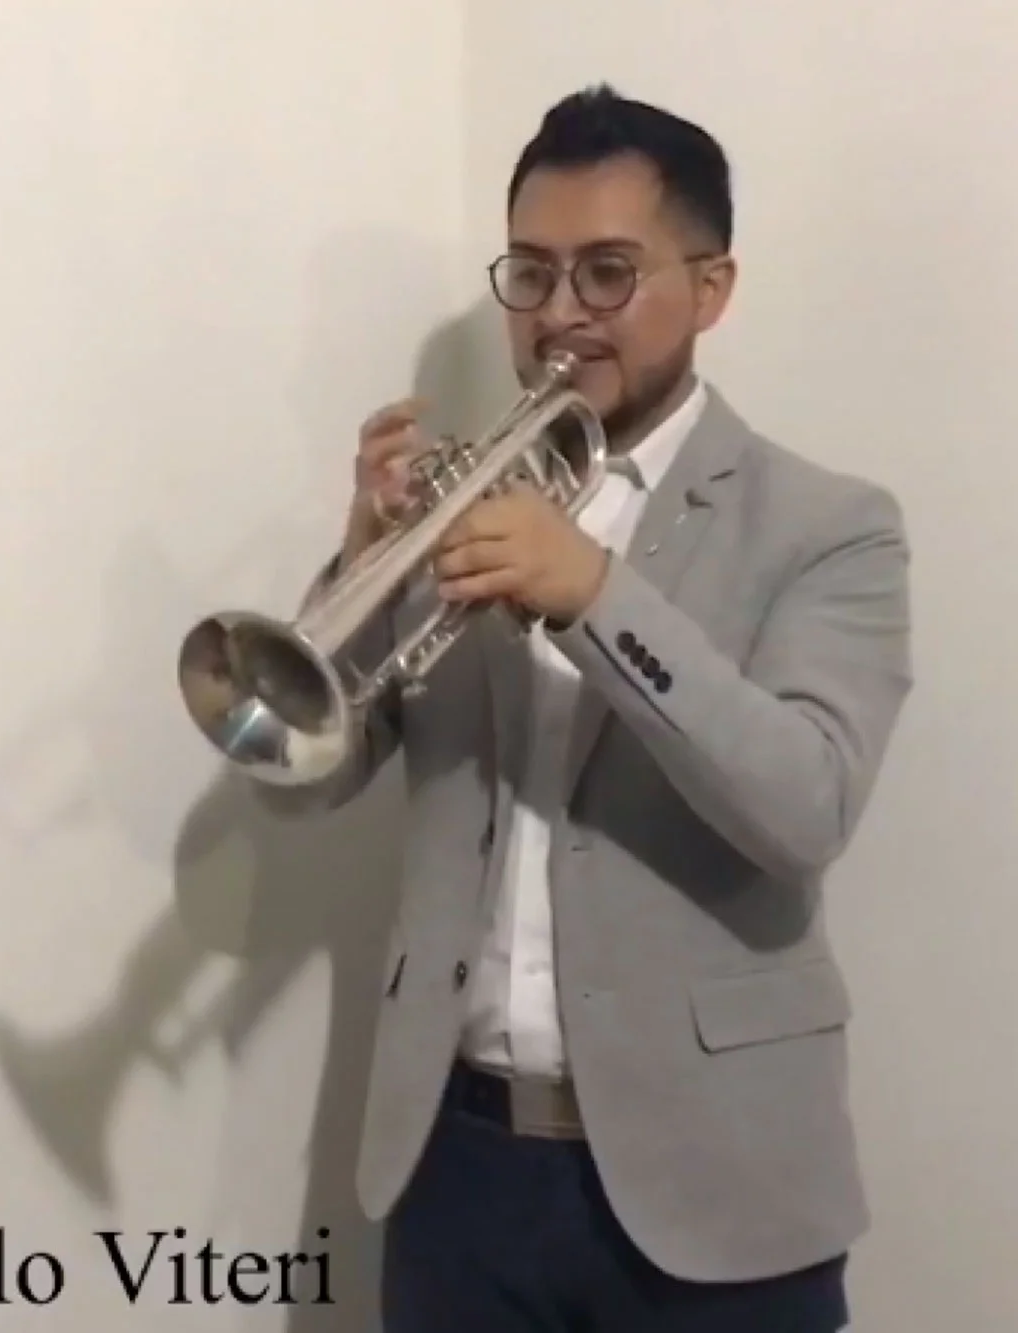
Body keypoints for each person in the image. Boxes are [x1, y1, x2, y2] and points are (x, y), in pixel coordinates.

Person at [259, 86, 913, 1330]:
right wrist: (355, 569)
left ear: (709, 289)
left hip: (719, 1186)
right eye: (531, 272)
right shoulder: (459, 501)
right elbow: (303, 779)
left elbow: (806, 804)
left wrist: (593, 596)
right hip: (453, 1167)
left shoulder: (826, 525)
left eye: (607, 272)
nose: (559, 312)